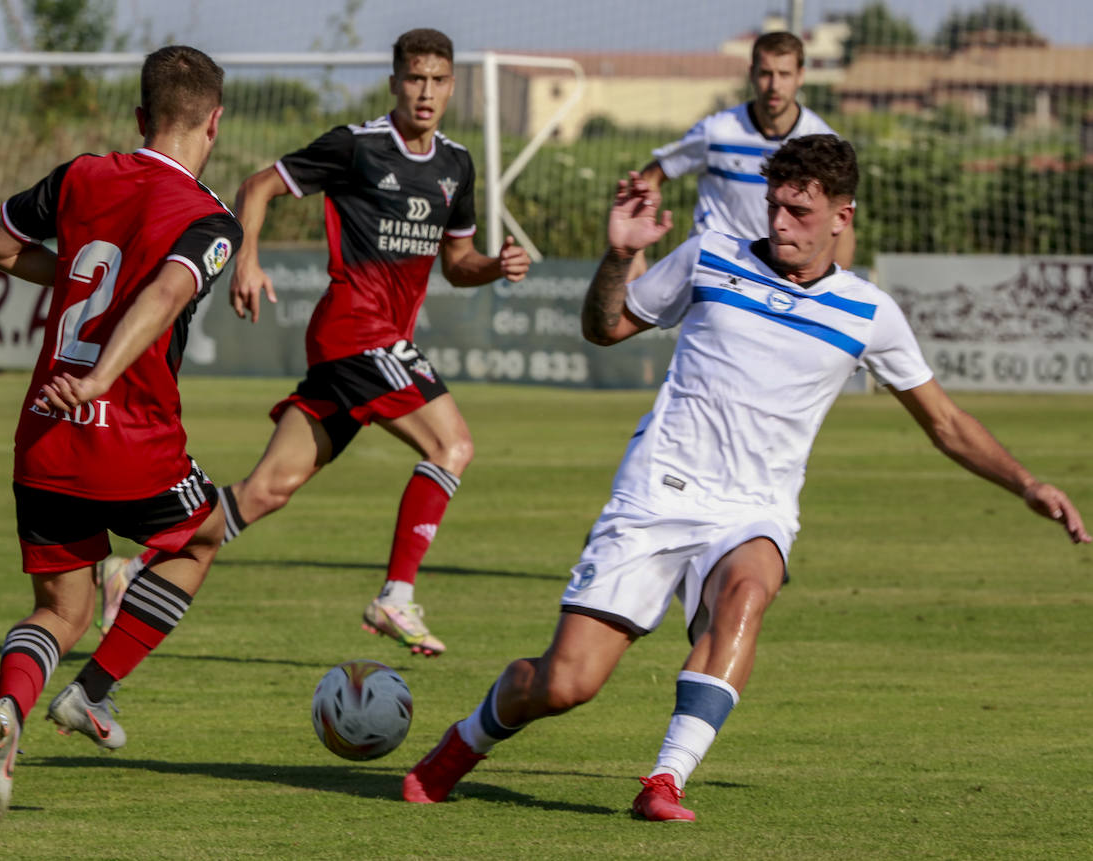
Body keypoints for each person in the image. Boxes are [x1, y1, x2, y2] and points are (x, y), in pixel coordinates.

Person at [401, 135, 1089, 820]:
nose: (781, 222)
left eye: (800, 211)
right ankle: (463, 742)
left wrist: (1027, 483)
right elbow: (604, 327)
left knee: (749, 590)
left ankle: (665, 779)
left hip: (755, 508)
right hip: (660, 487)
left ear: (842, 217)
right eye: (775, 206)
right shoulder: (709, 256)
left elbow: (945, 421)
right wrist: (617, 255)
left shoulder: (869, 312)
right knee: (565, 683)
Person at [96, 28, 531, 656]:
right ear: (394, 82)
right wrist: (245, 259)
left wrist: (497, 265)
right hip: (355, 330)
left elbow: (458, 261)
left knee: (266, 490)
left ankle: (132, 573)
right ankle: (397, 596)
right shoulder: (358, 147)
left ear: (453, 85)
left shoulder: (456, 165)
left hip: (369, 349)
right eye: (414, 78)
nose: (425, 91)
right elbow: (257, 185)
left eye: (437, 80)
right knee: (453, 444)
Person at [0, 45, 243, 829]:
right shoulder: (211, 217)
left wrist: (84, 291)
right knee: (200, 539)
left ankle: (8, 712)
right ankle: (92, 690)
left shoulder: (83, 174)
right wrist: (102, 375)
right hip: (130, 435)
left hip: (46, 431)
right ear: (214, 123)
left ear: (140, 117)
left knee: (60, 607)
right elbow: (165, 291)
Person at [641, 30, 856, 268]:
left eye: (784, 74)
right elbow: (650, 177)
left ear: (800, 76)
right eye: (766, 74)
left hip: (778, 274)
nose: (774, 85)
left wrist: (836, 293)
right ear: (751, 74)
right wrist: (635, 253)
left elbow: (842, 228)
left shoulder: (820, 141)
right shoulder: (717, 131)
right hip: (713, 269)